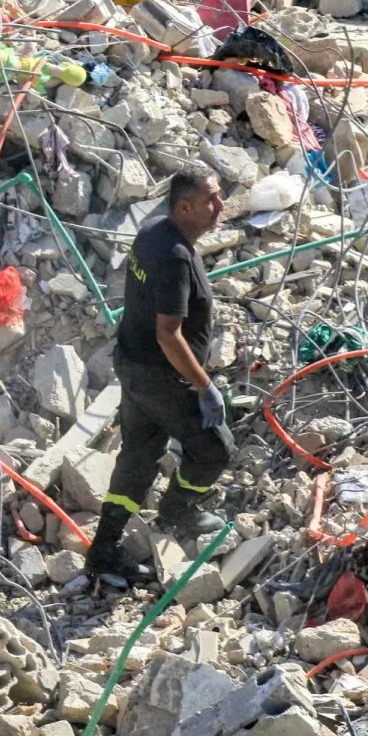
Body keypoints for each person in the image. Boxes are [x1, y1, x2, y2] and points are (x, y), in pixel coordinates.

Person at [85, 168, 230, 585]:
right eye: (212, 200)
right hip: (161, 375)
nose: (220, 207)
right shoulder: (174, 256)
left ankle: (104, 549)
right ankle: (177, 513)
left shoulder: (152, 233)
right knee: (214, 448)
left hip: (132, 365)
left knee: (138, 455)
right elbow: (169, 334)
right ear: (185, 207)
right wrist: (204, 386)